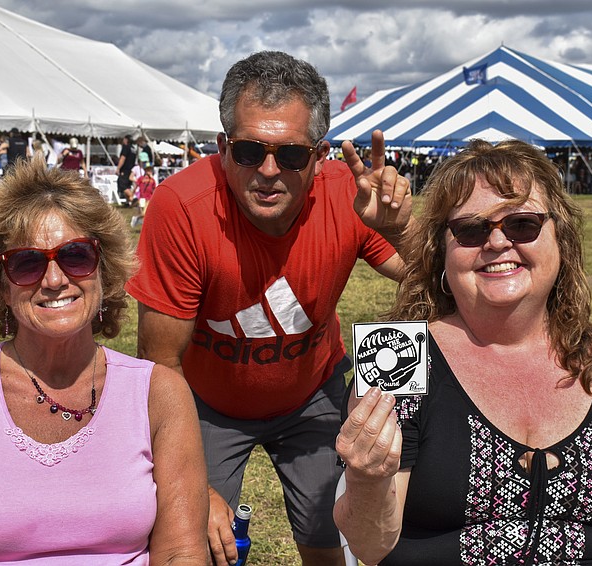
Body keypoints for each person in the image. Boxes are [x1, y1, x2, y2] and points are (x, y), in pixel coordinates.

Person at [334, 139, 592, 566]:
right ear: (443, 252)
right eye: (471, 229)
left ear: (561, 239)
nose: (497, 242)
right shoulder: (396, 355)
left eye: (522, 224)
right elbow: (370, 546)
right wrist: (366, 479)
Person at [126, 50, 411, 566]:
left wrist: (401, 230)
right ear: (222, 149)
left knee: (330, 540)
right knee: (194, 544)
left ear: (319, 155)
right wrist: (194, 485)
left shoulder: (348, 197)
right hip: (205, 405)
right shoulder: (182, 207)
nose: (269, 171)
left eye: (292, 155)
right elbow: (159, 364)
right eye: (249, 151)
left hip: (312, 393)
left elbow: (435, 280)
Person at [0, 158, 209, 564]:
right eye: (27, 263)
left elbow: (181, 552)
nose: (54, 280)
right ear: (1, 287)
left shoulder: (159, 393)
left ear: (105, 271)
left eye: (76, 256)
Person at [130, 164, 156, 228]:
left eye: (150, 170)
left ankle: (139, 221)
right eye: (148, 170)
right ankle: (136, 218)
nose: (150, 172)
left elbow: (154, 189)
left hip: (149, 198)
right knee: (143, 213)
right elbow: (136, 187)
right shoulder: (141, 178)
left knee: (146, 213)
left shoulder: (152, 180)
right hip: (142, 198)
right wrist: (132, 195)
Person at [116, 134, 137, 205]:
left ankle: (132, 198)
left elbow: (123, 158)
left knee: (122, 185)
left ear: (126, 140)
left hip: (125, 170)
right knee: (127, 186)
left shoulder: (126, 147)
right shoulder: (133, 149)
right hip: (130, 169)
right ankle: (128, 202)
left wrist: (118, 168)